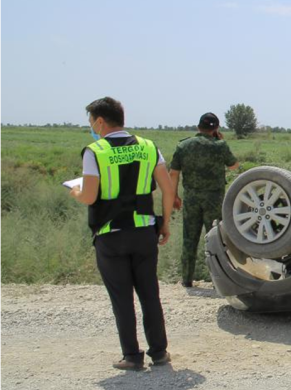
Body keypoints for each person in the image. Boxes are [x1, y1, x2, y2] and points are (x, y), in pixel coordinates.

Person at [70, 97, 174, 370]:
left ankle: (131, 356)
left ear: (100, 121)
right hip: (143, 231)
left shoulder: (95, 152)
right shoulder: (149, 147)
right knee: (150, 294)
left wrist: (77, 192)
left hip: (111, 234)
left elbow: (91, 195)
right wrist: (165, 224)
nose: (92, 127)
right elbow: (168, 189)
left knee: (122, 298)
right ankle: (160, 353)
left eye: (92, 122)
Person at [169, 112, 239, 287]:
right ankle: (219, 282)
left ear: (198, 127)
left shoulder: (183, 146)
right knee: (216, 240)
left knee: (189, 239)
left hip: (191, 198)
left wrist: (174, 196)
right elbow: (234, 165)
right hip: (214, 199)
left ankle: (186, 279)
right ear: (215, 129)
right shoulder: (220, 145)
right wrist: (220, 141)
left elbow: (173, 173)